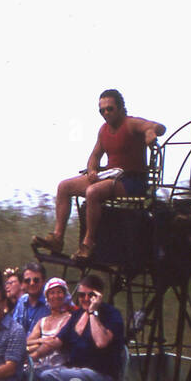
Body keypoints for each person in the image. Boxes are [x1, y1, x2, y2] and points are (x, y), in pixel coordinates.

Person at [33, 89, 165, 261]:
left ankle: (88, 243)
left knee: (93, 192)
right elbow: (95, 156)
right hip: (111, 177)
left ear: (120, 108)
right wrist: (92, 170)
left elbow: (157, 126)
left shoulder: (131, 124)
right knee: (64, 187)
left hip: (132, 181)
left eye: (110, 109)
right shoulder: (104, 130)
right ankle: (58, 238)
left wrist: (150, 132)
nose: (106, 113)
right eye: (102, 110)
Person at [33, 274, 125, 381]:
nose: (86, 299)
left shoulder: (111, 314)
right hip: (74, 371)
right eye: (82, 295)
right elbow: (56, 341)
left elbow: (101, 342)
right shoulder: (77, 315)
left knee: (49, 377)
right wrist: (33, 356)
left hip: (101, 376)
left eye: (90, 295)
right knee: (32, 374)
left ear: (99, 295)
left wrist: (92, 312)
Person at [26, 277, 72, 370]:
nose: (55, 296)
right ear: (47, 297)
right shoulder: (42, 321)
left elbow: (54, 342)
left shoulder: (69, 318)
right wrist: (41, 341)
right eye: (52, 293)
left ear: (64, 295)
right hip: (36, 365)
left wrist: (36, 344)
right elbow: (27, 342)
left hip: (57, 367)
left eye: (59, 292)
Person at [11, 261, 50, 334]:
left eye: (36, 280)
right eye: (27, 281)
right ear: (22, 283)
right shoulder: (21, 301)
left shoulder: (51, 302)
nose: (32, 283)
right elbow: (13, 328)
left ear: (44, 281)